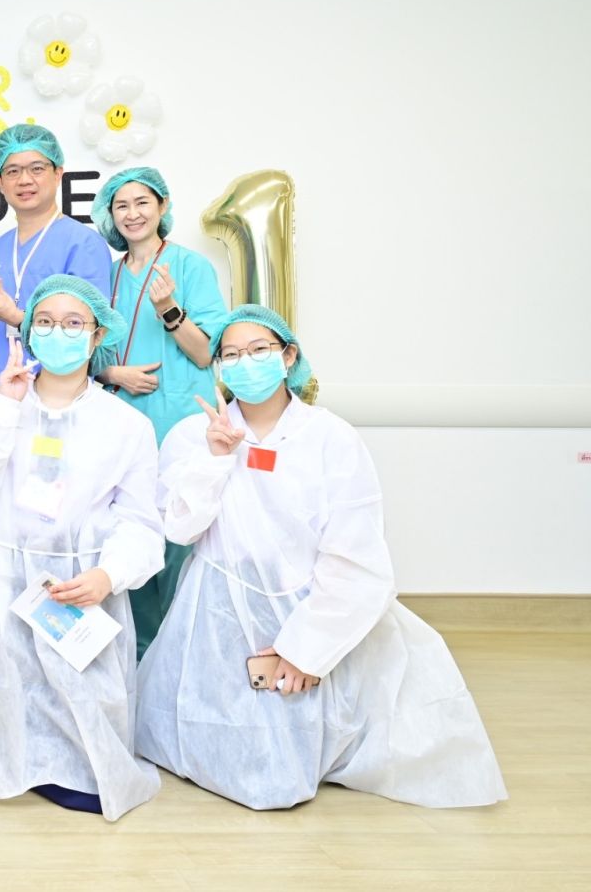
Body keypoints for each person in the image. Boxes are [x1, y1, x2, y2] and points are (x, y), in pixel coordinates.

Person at [136, 305, 507, 810]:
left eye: (259, 350)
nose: (246, 363)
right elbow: (179, 528)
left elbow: (355, 555)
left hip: (312, 608)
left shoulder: (332, 438)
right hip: (215, 614)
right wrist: (215, 459)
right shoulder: (192, 435)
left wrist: (306, 648)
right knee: (209, 745)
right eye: (231, 355)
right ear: (219, 367)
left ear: (288, 356)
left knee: (292, 759)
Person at [0, 274, 163, 819]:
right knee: (8, 687)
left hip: (80, 586)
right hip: (3, 575)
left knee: (85, 702)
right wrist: (5, 407)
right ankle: (26, 761)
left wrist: (108, 576)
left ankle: (75, 766)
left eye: (73, 323)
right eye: (46, 321)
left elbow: (140, 521)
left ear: (96, 336)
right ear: (29, 332)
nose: (58, 332)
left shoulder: (126, 425)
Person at [89, 166, 228, 656]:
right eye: (121, 206)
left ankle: (179, 653)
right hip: (122, 420)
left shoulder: (190, 268)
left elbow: (205, 353)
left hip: (179, 420)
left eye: (142, 202)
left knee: (179, 536)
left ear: (163, 206)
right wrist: (114, 374)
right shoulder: (105, 275)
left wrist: (169, 308)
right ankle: (139, 651)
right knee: (128, 532)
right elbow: (89, 353)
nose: (132, 214)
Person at [0, 125, 112, 393]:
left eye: (36, 169)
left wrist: (16, 317)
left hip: (53, 393)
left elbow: (87, 332)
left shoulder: (84, 244)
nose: (25, 180)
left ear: (58, 173)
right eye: (12, 171)